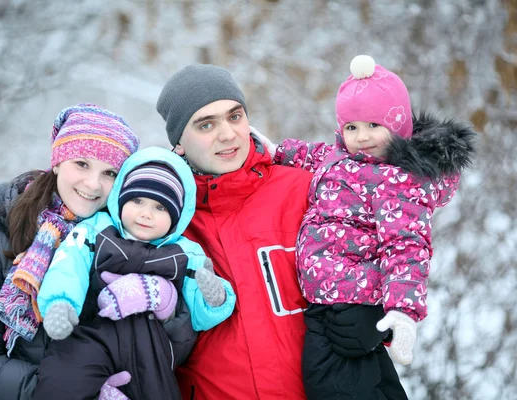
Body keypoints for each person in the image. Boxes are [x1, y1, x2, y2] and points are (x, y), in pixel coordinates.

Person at [156, 63, 380, 400]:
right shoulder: (166, 224)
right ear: (179, 143)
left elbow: (393, 248)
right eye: (206, 124)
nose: (228, 134)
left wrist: (371, 309)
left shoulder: (307, 192)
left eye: (235, 116)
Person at [0, 103, 193, 399]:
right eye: (82, 164)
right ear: (58, 162)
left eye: (110, 172)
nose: (93, 184)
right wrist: (78, 391)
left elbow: (168, 354)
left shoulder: (126, 244)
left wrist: (168, 307)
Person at [262, 55, 476, 398]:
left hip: (353, 302)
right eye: (352, 127)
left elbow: (407, 247)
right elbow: (312, 155)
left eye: (374, 126)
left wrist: (403, 312)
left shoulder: (399, 182)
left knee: (329, 385)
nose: (362, 137)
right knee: (361, 385)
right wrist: (277, 150)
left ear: (399, 127)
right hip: (325, 301)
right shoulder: (340, 159)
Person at [32, 146, 236, 400]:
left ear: (177, 216)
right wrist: (60, 303)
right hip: (90, 333)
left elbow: (197, 318)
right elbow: (68, 264)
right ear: (121, 198)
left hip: (151, 348)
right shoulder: (97, 231)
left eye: (160, 208)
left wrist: (215, 298)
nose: (145, 213)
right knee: (62, 382)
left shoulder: (185, 253)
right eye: (137, 200)